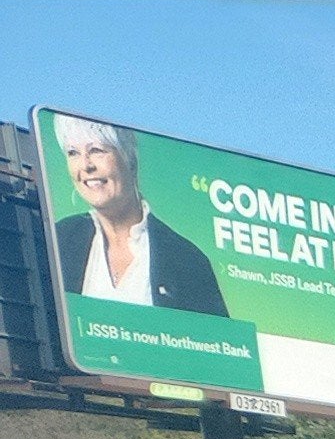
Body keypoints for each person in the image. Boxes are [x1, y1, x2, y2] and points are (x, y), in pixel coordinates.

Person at [52, 116, 228, 318]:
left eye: (97, 150)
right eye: (73, 153)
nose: (85, 166)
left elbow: (217, 343)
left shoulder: (187, 261)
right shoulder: (60, 239)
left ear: (130, 160)